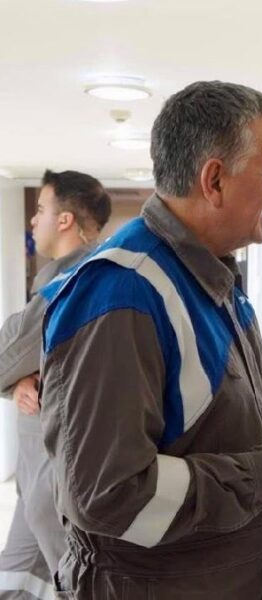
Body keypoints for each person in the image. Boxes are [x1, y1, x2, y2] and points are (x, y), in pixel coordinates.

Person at [38, 81, 262, 598]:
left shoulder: (209, 278)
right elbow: (108, 495)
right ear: (214, 180)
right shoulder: (124, 293)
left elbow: (203, 422)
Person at [0, 170, 110, 599]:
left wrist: (13, 377)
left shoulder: (71, 280)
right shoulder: (89, 271)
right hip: (42, 470)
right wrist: (18, 383)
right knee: (18, 576)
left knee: (74, 579)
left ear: (65, 220)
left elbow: (8, 352)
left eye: (41, 209)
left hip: (58, 470)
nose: (33, 220)